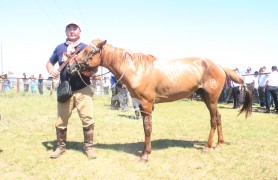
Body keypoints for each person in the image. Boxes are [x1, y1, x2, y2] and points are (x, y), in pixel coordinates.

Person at [46, 22, 97, 159]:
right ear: (66, 32)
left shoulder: (86, 47)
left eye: (75, 28)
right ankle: (61, 147)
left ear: (80, 31)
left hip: (83, 88)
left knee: (88, 119)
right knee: (61, 120)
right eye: (69, 29)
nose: (72, 31)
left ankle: (89, 148)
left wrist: (89, 72)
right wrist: (51, 70)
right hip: (65, 89)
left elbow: (95, 66)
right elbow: (49, 62)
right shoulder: (59, 48)